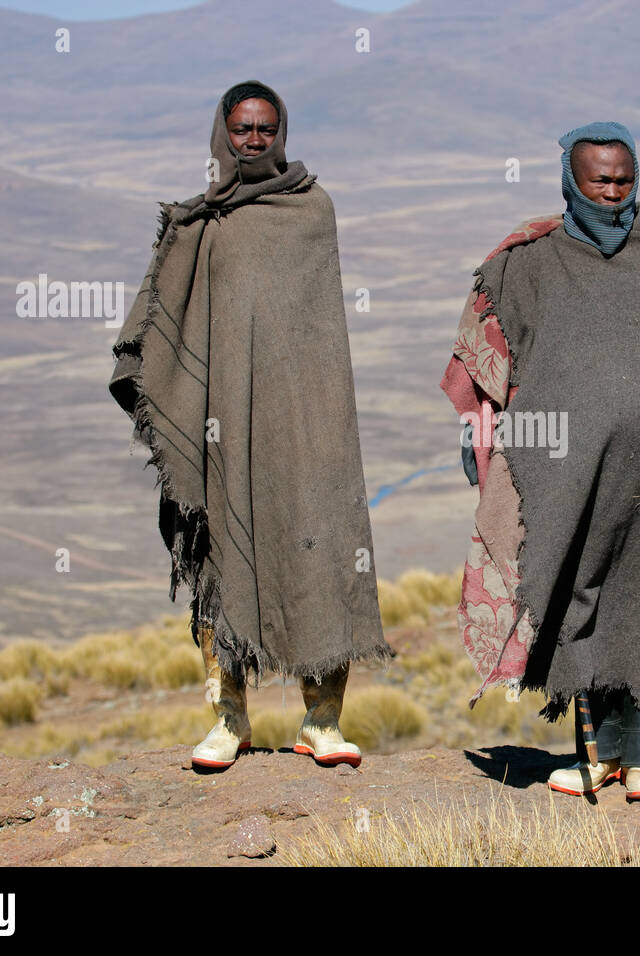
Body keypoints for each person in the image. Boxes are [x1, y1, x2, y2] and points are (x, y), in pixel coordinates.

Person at [110, 80, 392, 772]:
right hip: (221, 424)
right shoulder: (203, 225)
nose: (255, 140)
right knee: (220, 556)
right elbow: (162, 323)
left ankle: (322, 721)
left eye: (267, 129)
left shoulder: (312, 211)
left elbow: (318, 335)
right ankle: (227, 721)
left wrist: (316, 421)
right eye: (243, 129)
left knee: (318, 547)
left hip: (306, 424)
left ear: (282, 132)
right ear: (223, 133)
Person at [440, 121, 640, 801]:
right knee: (571, 585)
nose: (612, 192)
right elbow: (494, 350)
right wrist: (483, 430)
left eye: (623, 180)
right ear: (570, 181)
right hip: (560, 460)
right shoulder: (530, 261)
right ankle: (596, 755)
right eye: (599, 180)